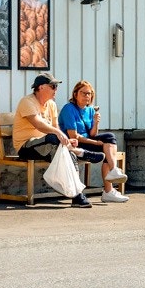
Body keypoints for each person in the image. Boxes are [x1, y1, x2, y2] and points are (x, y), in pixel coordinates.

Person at [12, 73, 87, 208]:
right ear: (41, 87)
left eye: (56, 86)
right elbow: (39, 124)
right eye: (53, 86)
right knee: (55, 140)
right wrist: (60, 135)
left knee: (65, 151)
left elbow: (55, 127)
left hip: (48, 145)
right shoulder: (27, 102)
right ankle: (79, 154)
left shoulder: (51, 104)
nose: (56, 89)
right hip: (26, 147)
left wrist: (67, 141)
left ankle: (77, 194)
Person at [58, 81, 128, 204]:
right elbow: (73, 136)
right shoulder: (68, 109)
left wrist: (96, 123)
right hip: (74, 144)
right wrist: (95, 143)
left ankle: (110, 183)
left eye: (89, 94)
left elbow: (93, 134)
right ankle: (110, 185)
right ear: (75, 94)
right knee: (107, 146)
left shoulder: (90, 110)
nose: (87, 96)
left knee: (109, 138)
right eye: (83, 93)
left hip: (87, 141)